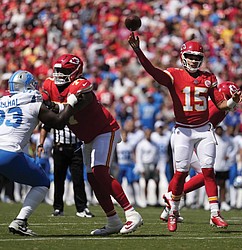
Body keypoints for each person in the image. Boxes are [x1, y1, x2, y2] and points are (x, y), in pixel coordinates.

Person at [129, 34, 242, 232]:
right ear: (183, 57)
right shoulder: (175, 75)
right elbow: (153, 71)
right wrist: (138, 51)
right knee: (180, 174)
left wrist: (232, 101)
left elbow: (221, 104)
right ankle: (173, 210)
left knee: (208, 171)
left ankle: (215, 213)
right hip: (183, 130)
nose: (193, 60)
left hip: (203, 130)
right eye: (190, 56)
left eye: (197, 57)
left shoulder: (209, 77)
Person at [39, 54, 143, 236]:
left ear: (75, 72)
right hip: (87, 137)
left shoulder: (81, 86)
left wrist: (54, 107)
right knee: (94, 179)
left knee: (100, 171)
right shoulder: (49, 84)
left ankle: (131, 213)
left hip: (104, 130)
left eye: (65, 71)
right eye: (58, 70)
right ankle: (113, 221)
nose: (59, 74)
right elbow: (43, 102)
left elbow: (66, 114)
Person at [0, 70, 79, 236]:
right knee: (42, 182)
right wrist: (71, 104)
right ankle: (20, 221)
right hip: (9, 152)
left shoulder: (3, 101)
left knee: (3, 179)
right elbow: (58, 123)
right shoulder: (33, 102)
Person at [159, 81, 238, 222]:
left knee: (195, 174)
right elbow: (199, 124)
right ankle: (173, 196)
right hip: (189, 137)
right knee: (199, 174)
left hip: (193, 137)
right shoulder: (216, 106)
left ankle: (169, 209)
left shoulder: (220, 105)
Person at [38, 124, 94, 218]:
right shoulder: (55, 111)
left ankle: (82, 208)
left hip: (76, 148)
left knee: (78, 179)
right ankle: (58, 208)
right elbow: (45, 127)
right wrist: (40, 144)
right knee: (59, 180)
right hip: (60, 148)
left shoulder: (77, 110)